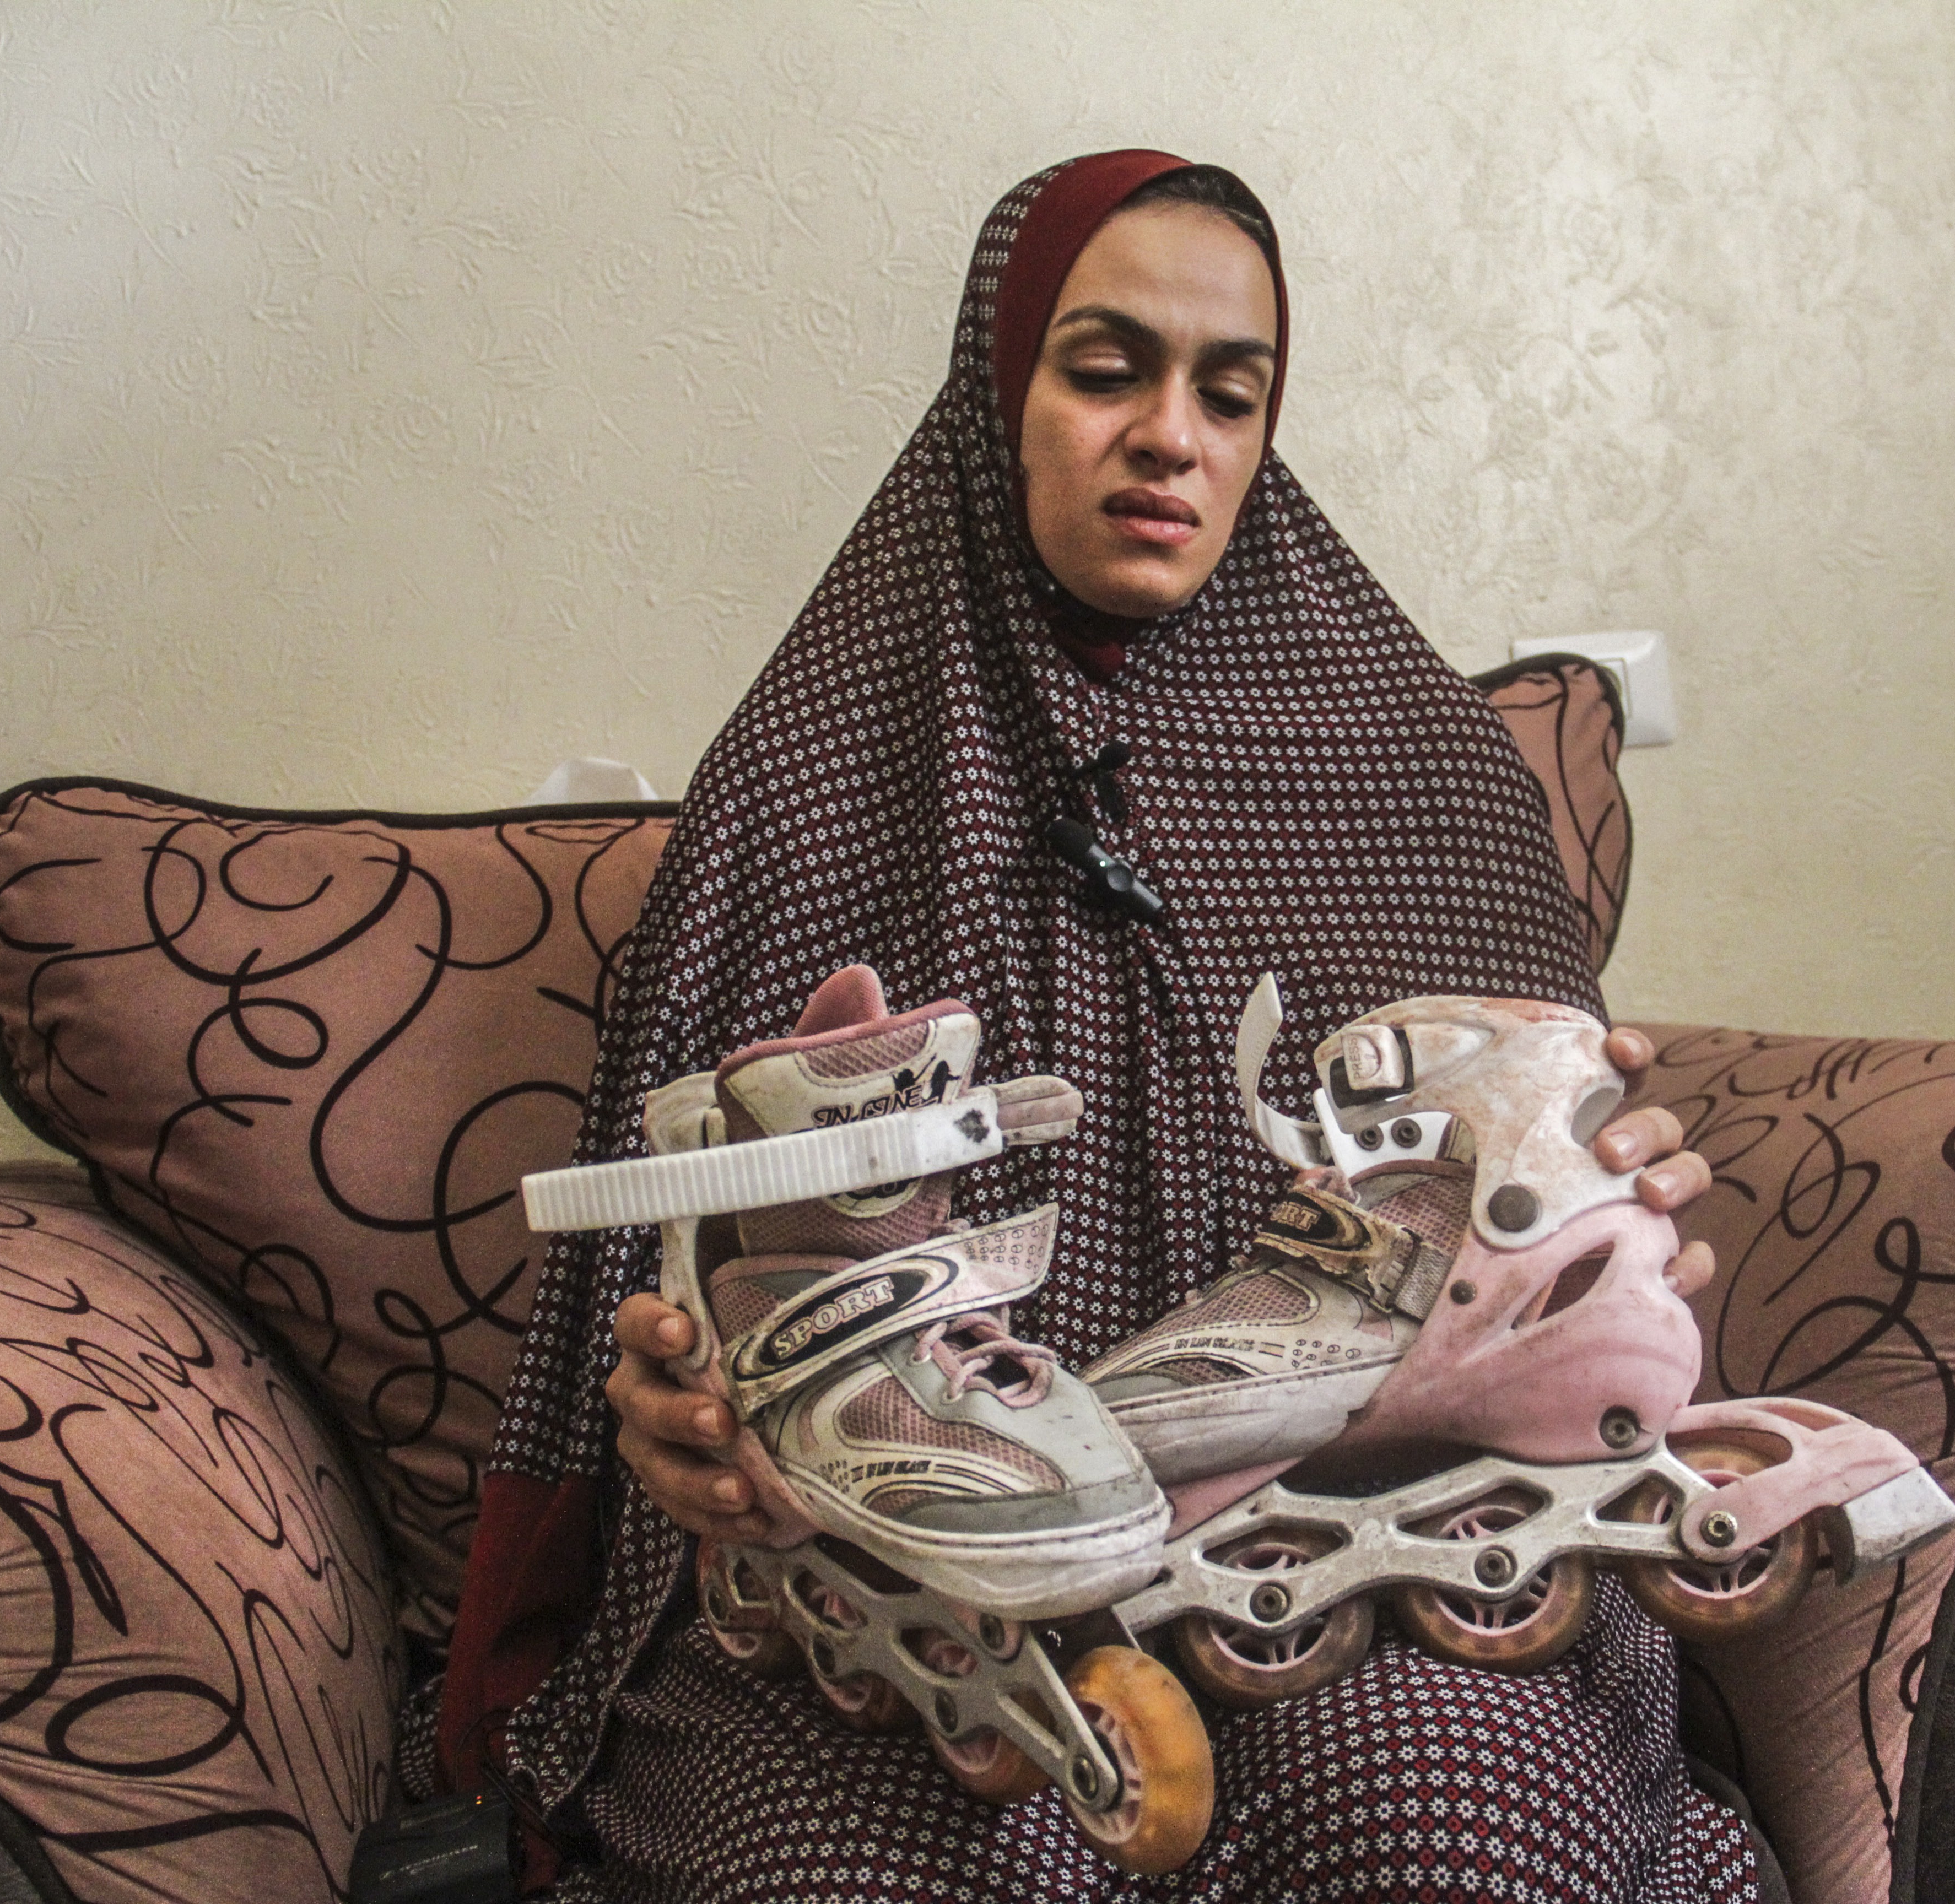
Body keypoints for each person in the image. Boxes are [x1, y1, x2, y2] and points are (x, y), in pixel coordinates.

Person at [430, 150, 1760, 1902]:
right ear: (1001, 394)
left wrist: (1601, 1212)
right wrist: (684, 1407)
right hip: (903, 1585)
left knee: (1453, 1829)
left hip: (1367, 1557)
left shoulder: (1435, 785)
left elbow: (1535, 1195)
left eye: (1232, 389)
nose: (1173, 437)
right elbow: (685, 1276)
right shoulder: (810, 785)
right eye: (1106, 366)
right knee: (957, 1872)